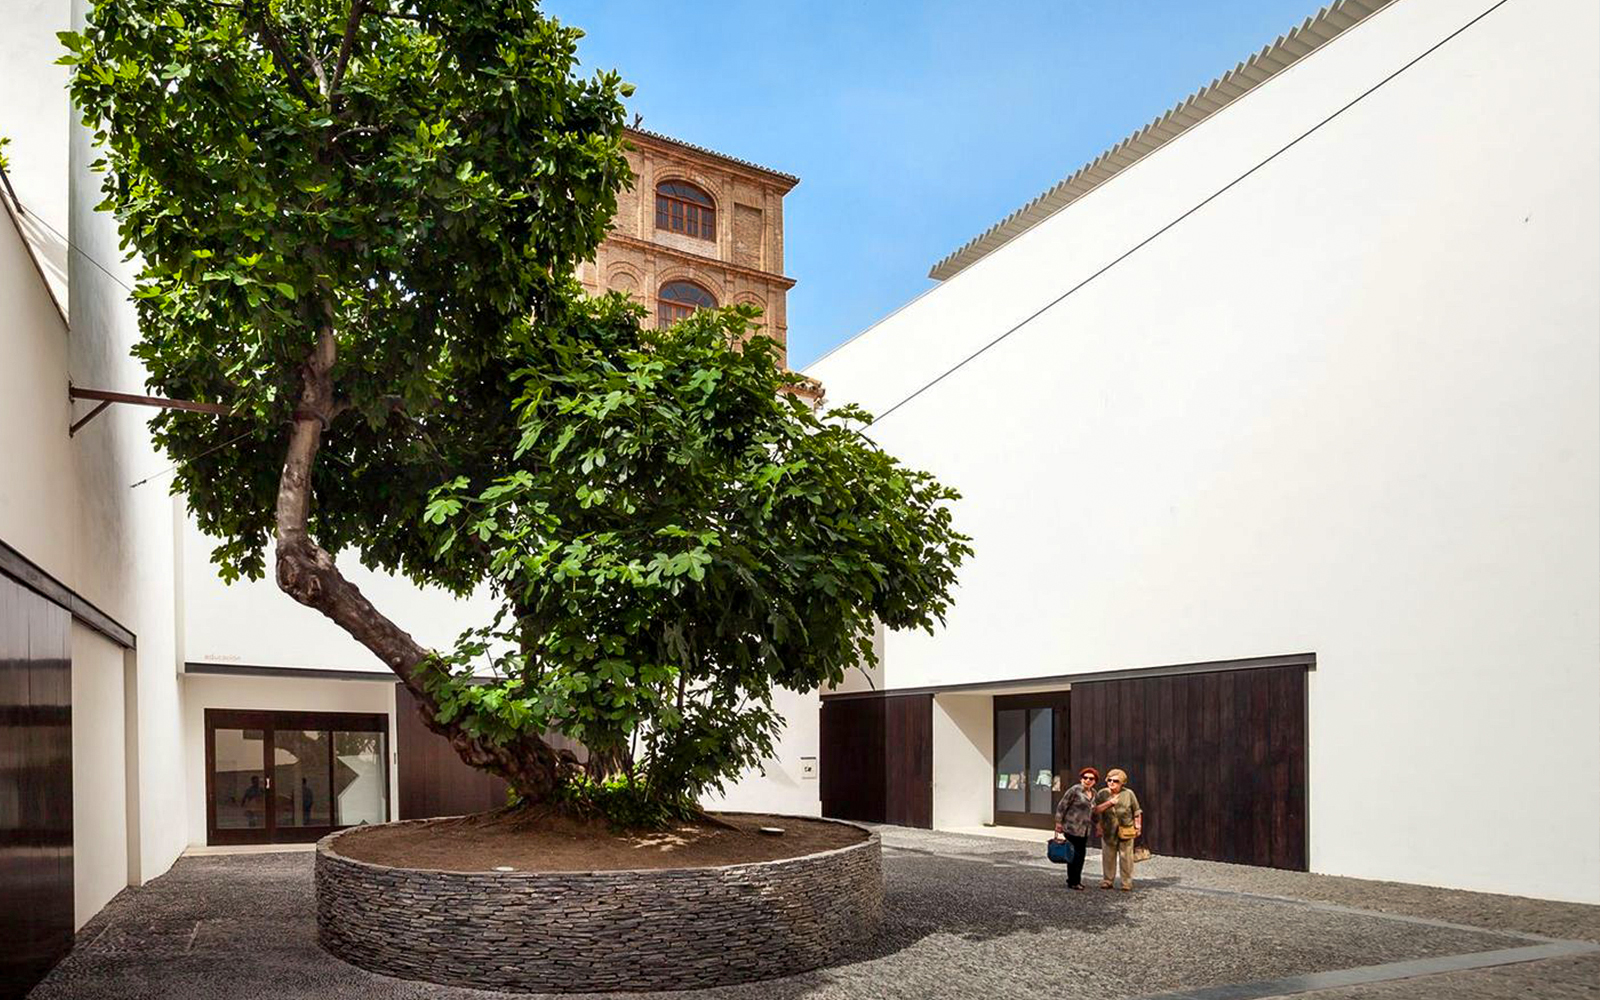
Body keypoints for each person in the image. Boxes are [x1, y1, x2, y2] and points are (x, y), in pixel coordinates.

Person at [1092, 768, 1142, 890]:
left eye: (1115, 781)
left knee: (1126, 858)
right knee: (1108, 857)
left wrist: (1138, 826)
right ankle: (1108, 880)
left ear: (1122, 782)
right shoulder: (1102, 793)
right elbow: (1095, 811)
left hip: (1126, 830)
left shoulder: (1128, 793)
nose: (1112, 783)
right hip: (1108, 830)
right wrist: (1098, 826)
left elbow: (1137, 811)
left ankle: (1126, 882)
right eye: (1109, 780)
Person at [1053, 767, 1098, 890]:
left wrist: (1098, 825)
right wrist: (1058, 823)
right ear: (1081, 778)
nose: (1088, 780)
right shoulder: (1074, 790)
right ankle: (1073, 881)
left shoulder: (1094, 793)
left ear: (1095, 781)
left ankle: (1074, 879)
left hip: (1085, 830)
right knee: (1074, 855)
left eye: (1091, 778)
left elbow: (1093, 812)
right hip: (1072, 827)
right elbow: (1062, 806)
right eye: (1085, 777)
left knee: (1080, 855)